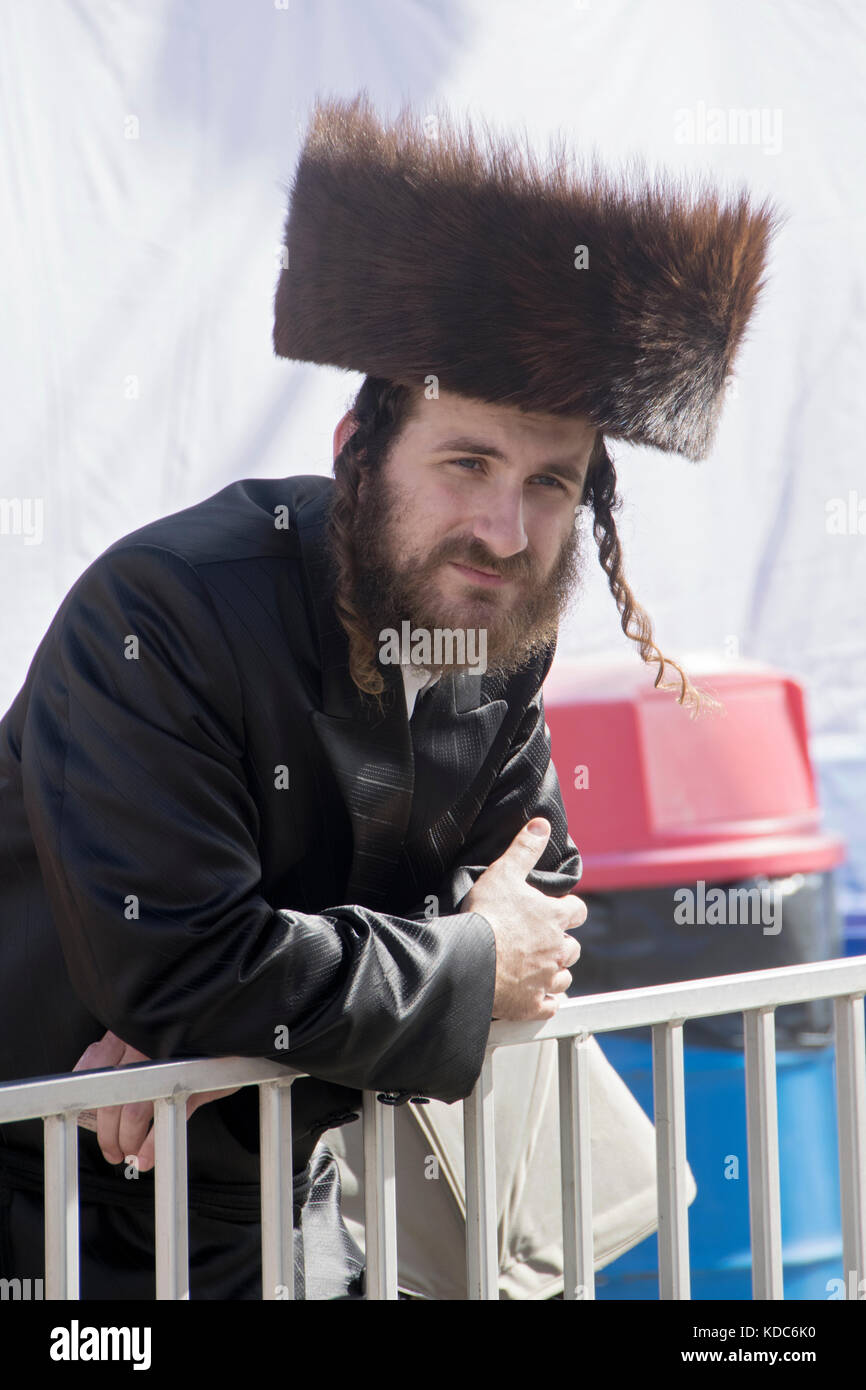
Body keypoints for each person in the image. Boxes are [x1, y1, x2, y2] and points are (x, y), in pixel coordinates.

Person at [0, 91, 778, 1299]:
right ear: (355, 447)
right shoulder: (159, 612)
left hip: (296, 1197)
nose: (504, 529)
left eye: (549, 484)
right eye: (466, 462)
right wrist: (430, 963)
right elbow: (190, 967)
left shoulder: (498, 634)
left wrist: (250, 1037)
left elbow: (539, 903)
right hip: (58, 1214)